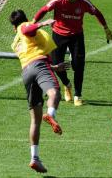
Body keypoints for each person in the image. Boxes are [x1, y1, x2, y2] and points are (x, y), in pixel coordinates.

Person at [33, 0, 112, 106]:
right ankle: (67, 84)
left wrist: (106, 28)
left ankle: (78, 95)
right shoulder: (58, 0)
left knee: (79, 65)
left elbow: (97, 13)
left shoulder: (83, 2)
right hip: (58, 35)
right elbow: (44, 10)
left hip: (76, 36)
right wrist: (33, 23)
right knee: (56, 64)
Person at [9, 9, 69, 173]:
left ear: (12, 28)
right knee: (55, 92)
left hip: (26, 73)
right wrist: (42, 23)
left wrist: (55, 67)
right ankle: (51, 114)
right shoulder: (25, 26)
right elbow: (28, 29)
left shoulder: (16, 41)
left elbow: (31, 56)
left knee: (35, 120)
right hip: (39, 65)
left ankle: (34, 158)